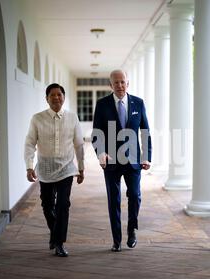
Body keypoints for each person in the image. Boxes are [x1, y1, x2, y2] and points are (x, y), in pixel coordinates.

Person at [92, 70, 152, 252]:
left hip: (133, 160)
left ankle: (131, 229)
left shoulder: (138, 103)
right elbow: (96, 134)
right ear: (110, 85)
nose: (119, 85)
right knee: (114, 200)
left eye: (122, 82)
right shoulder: (102, 105)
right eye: (116, 83)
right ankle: (116, 239)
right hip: (111, 160)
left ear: (128, 83)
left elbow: (145, 132)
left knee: (135, 195)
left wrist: (146, 157)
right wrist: (100, 153)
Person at [24, 83, 85, 257]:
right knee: (47, 204)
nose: (56, 98)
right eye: (52, 95)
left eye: (59, 94)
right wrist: (29, 166)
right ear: (47, 98)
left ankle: (59, 243)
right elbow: (30, 143)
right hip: (44, 168)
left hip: (66, 168)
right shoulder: (37, 119)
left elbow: (79, 144)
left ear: (64, 97)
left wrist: (81, 167)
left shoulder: (72, 118)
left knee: (63, 205)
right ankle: (55, 233)